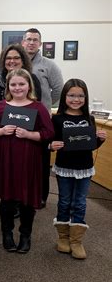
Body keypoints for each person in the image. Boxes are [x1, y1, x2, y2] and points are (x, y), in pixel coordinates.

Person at [0, 68, 54, 254]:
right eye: (13, 84)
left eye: (21, 84)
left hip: (28, 160)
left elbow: (49, 133)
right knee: (7, 199)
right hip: (6, 159)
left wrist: (30, 134)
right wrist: (0, 131)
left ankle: (25, 235)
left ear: (29, 85)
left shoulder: (37, 107)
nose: (17, 88)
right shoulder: (0, 106)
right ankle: (7, 234)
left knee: (26, 200)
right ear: (8, 86)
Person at [50, 79, 106, 259]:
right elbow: (50, 141)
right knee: (65, 201)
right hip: (65, 167)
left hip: (84, 168)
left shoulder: (88, 118)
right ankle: (64, 238)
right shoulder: (57, 119)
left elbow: (90, 145)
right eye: (72, 95)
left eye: (80, 95)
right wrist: (51, 145)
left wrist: (100, 140)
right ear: (64, 96)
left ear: (86, 97)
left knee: (80, 203)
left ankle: (76, 241)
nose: (76, 99)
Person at [22, 27, 64, 207]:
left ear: (39, 43)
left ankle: (41, 196)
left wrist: (45, 105)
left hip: (42, 120)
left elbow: (59, 91)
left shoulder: (49, 65)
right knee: (23, 159)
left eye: (35, 39)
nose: (31, 42)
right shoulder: (18, 63)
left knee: (42, 159)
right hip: (21, 117)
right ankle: (21, 195)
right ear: (23, 42)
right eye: (28, 39)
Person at [0, 44, 42, 112]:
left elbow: (36, 104)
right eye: (8, 58)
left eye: (16, 58)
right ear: (3, 61)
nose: (12, 61)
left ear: (23, 61)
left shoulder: (32, 80)